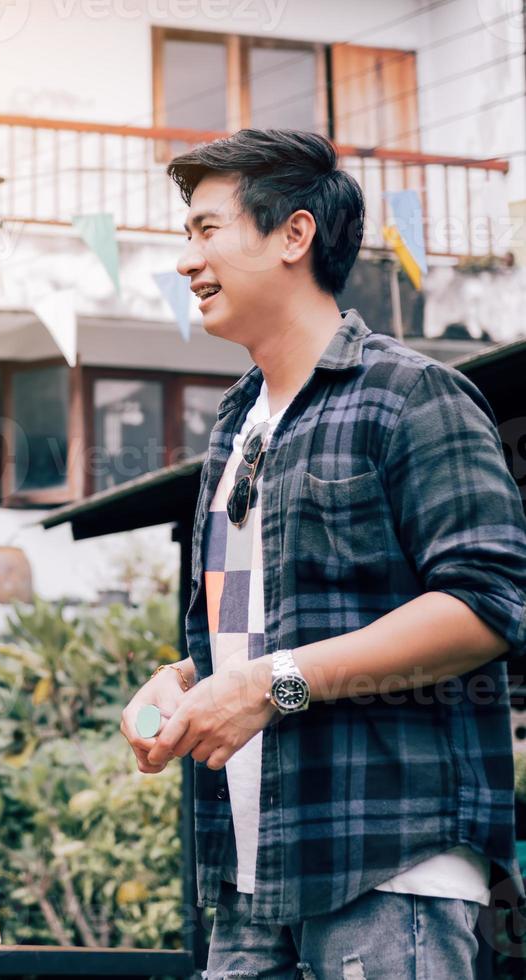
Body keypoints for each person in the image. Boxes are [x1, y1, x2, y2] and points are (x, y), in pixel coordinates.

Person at [118, 129, 526, 978]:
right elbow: (245, 622)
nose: (187, 258)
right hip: (249, 877)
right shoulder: (235, 425)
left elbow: (486, 604)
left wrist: (270, 683)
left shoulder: (413, 396)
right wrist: (189, 680)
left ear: (294, 235)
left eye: (205, 229)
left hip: (388, 867)